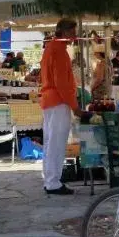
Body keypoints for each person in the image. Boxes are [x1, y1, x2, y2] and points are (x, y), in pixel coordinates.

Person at [40, 18, 80, 195]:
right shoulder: (59, 51)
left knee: (50, 142)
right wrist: (75, 106)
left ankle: (50, 179)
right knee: (56, 142)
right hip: (58, 101)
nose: (75, 36)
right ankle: (53, 182)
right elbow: (62, 83)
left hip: (50, 100)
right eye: (72, 32)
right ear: (64, 32)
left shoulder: (51, 48)